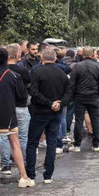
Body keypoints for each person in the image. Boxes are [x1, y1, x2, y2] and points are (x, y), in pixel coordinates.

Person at [0, 47, 32, 188]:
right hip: (8, 114)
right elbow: (21, 96)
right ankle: (23, 177)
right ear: (8, 58)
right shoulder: (14, 76)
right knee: (15, 144)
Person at [26, 48, 70, 184]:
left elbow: (33, 91)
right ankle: (48, 175)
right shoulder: (62, 73)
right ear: (55, 58)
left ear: (42, 58)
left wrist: (48, 103)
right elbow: (69, 93)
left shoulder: (36, 71)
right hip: (55, 112)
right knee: (52, 143)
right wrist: (60, 103)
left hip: (40, 111)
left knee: (33, 143)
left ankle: (31, 175)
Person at [0, 45, 31, 174]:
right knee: (22, 136)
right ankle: (23, 161)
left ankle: (6, 164)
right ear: (17, 55)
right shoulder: (22, 71)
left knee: (4, 136)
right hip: (21, 106)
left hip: (4, 106)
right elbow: (28, 87)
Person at [64, 46, 99, 151]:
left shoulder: (77, 66)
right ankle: (96, 144)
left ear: (82, 54)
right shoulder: (98, 66)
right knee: (95, 119)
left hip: (80, 96)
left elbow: (72, 84)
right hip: (93, 96)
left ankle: (77, 144)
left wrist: (72, 96)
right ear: (92, 55)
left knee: (78, 120)